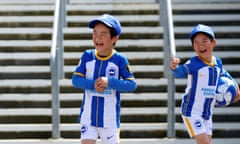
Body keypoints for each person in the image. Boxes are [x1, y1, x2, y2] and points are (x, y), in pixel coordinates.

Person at [72, 14, 137, 144]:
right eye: (95, 33)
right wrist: (92, 84)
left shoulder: (119, 60)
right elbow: (75, 79)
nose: (97, 38)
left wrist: (109, 82)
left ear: (114, 38)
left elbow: (131, 84)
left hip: (110, 119)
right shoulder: (87, 56)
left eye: (103, 34)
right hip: (88, 117)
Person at [170, 24, 240, 144]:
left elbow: (227, 78)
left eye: (204, 41)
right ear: (193, 47)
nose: (200, 45)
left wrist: (236, 92)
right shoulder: (193, 63)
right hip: (191, 111)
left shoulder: (218, 63)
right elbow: (181, 72)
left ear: (213, 43)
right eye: (196, 43)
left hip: (207, 113)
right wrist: (174, 67)